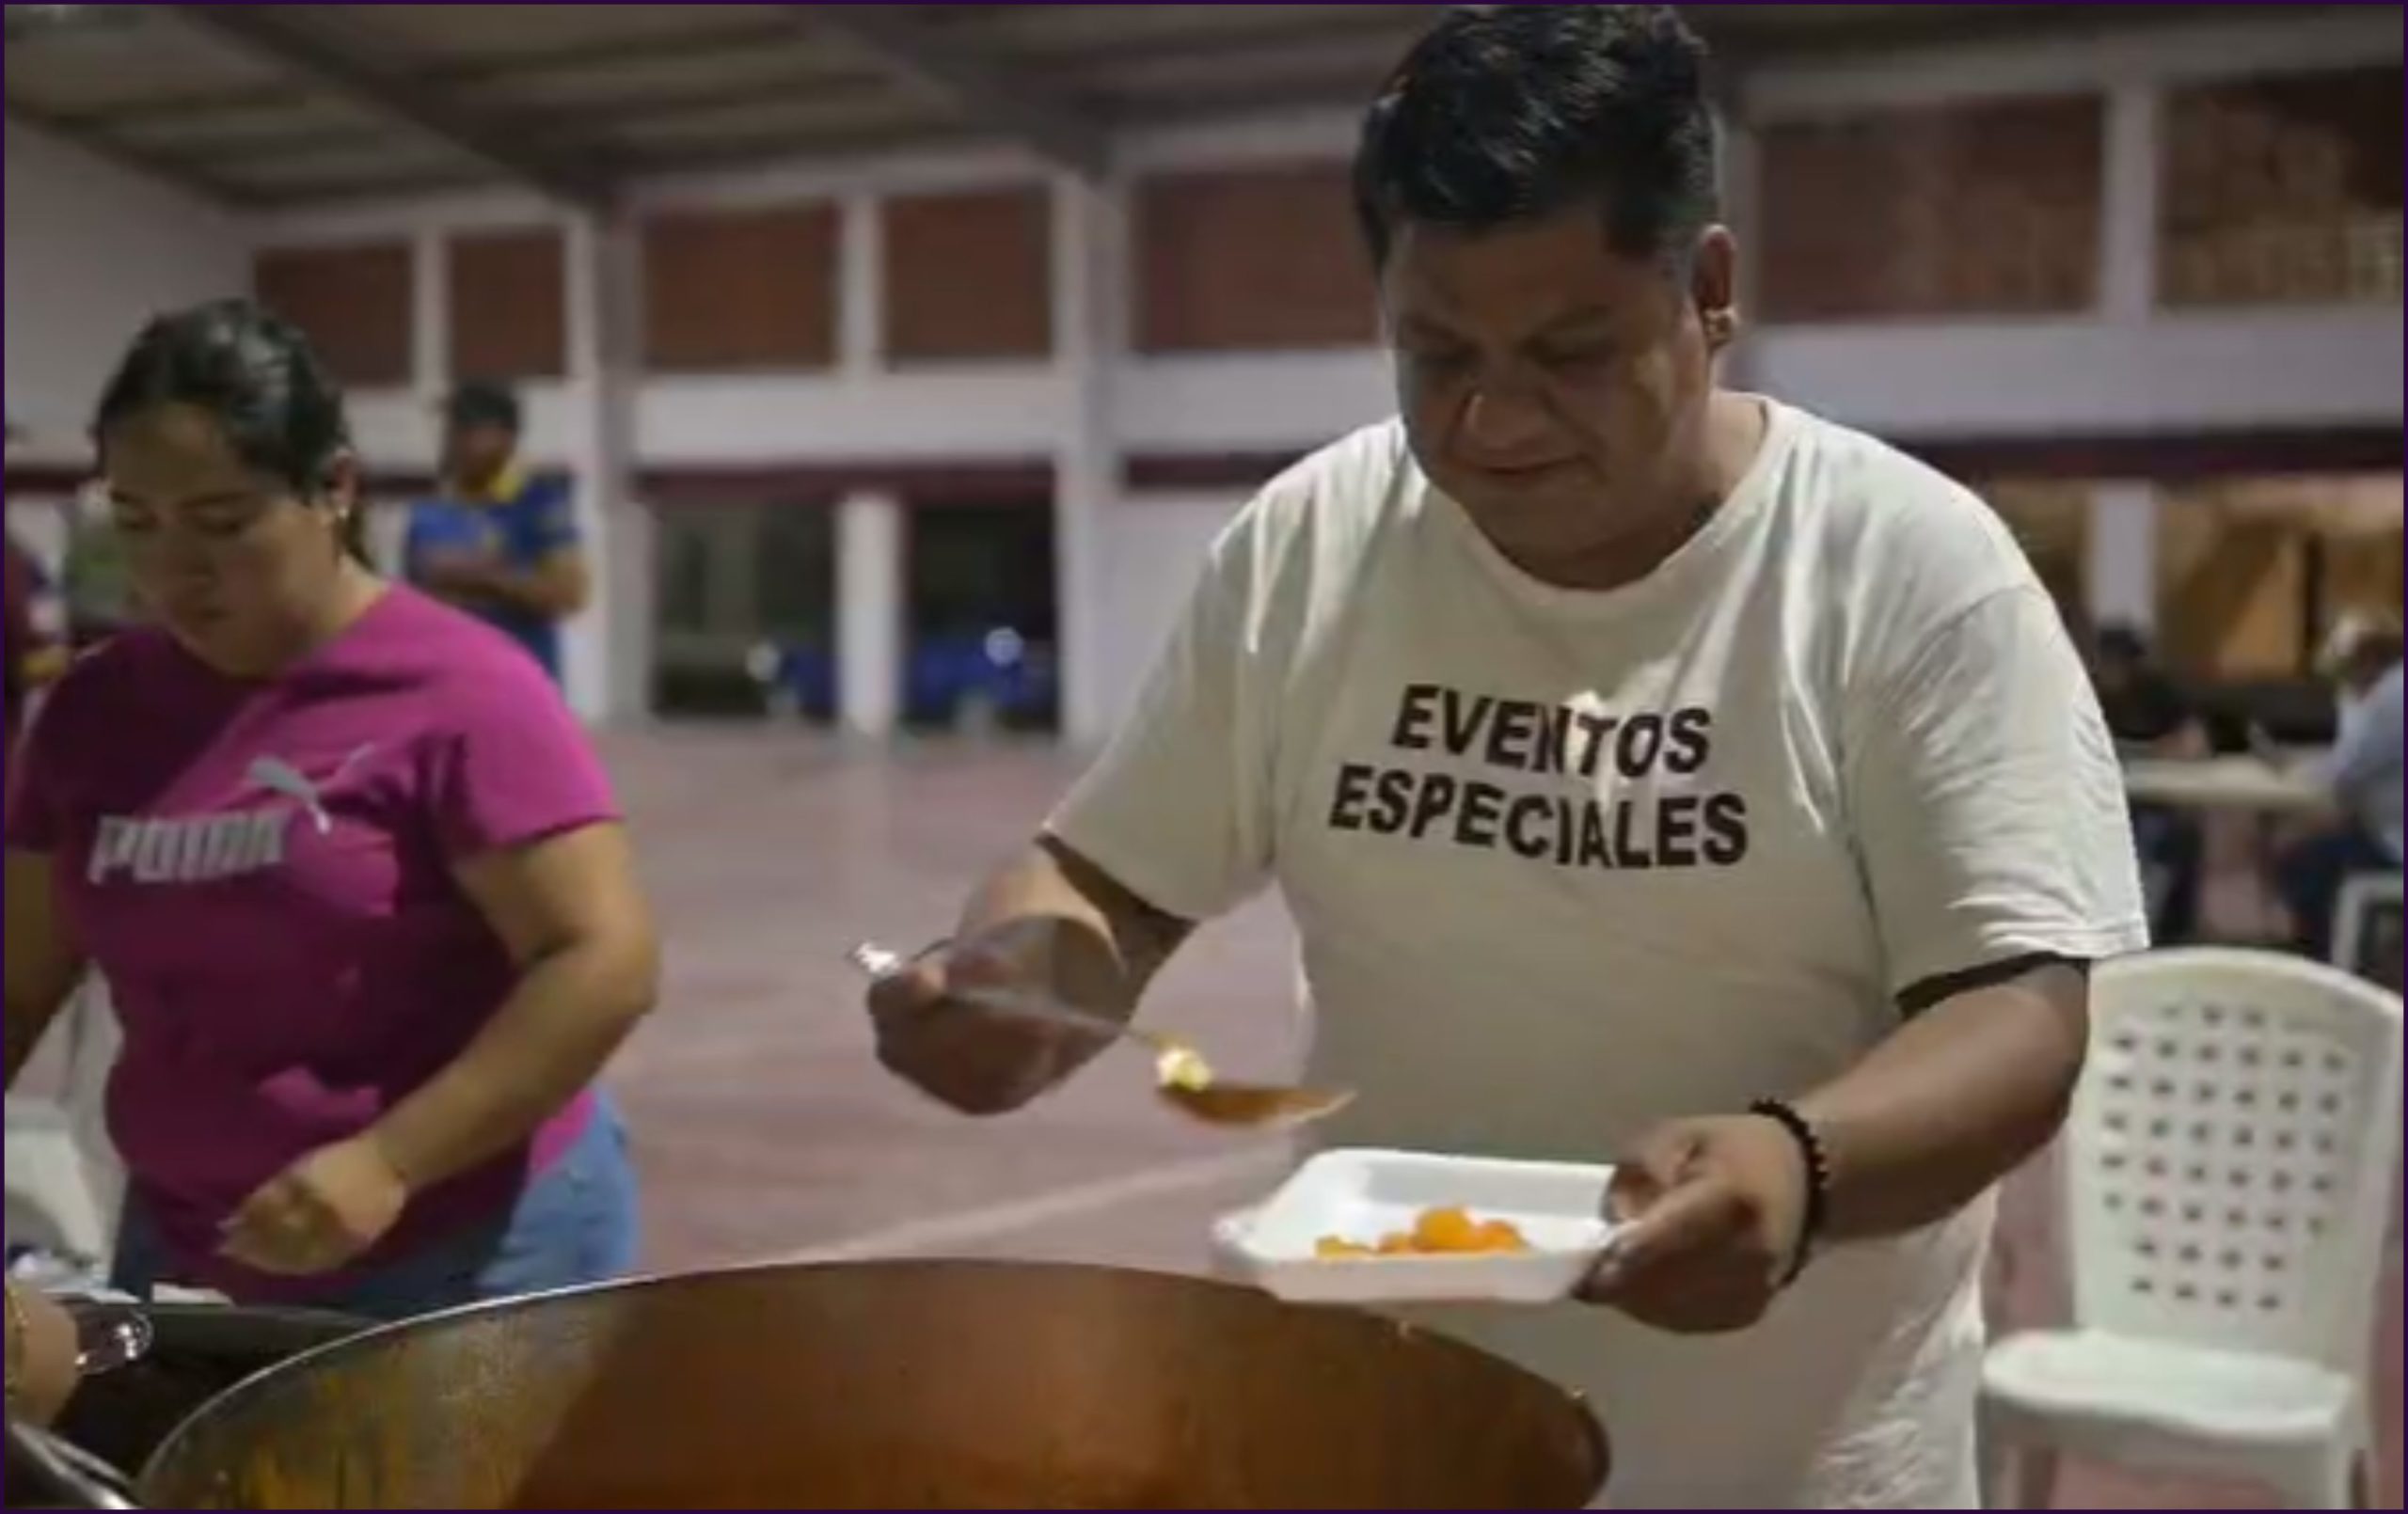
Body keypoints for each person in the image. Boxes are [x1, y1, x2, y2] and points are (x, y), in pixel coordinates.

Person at [865, 8, 2144, 1507]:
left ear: (1708, 290)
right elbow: (1111, 875)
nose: (1491, 419)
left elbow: (2019, 1006)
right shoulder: (1313, 548)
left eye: (1567, 353)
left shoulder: (1902, 575)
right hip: (1389, 1425)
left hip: (1787, 1468)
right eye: (1436, 354)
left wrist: (1801, 1167)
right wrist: (1025, 977)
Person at [2, 300, 657, 1321]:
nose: (176, 569)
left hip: (467, 1242)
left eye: (225, 522)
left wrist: (390, 1158)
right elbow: (16, 979)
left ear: (333, 490)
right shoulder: (96, 712)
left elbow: (602, 960)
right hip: (190, 1239)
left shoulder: (459, 691)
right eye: (136, 521)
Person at [403, 380, 587, 685]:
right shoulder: (428, 514)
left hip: (522, 689)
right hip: (449, 690)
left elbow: (571, 593)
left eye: (466, 431)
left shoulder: (538, 505)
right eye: (451, 431)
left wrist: (485, 578)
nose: (453, 442)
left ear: (506, 438)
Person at [2273, 612, 2404, 959]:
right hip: (2384, 830)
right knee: (2307, 846)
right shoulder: (2390, 691)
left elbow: (2344, 773)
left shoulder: (2392, 698)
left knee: (2299, 862)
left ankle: (2328, 964)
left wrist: (2348, 697)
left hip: (2394, 844)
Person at [2089, 623, 2208, 942]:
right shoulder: (2091, 692)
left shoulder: (2157, 691)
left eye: (2116, 664)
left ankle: (2153, 929)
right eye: (2104, 663)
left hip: (2161, 797)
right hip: (2109, 798)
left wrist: (2158, 751)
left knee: (2163, 838)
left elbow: (2195, 741)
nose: (2109, 672)